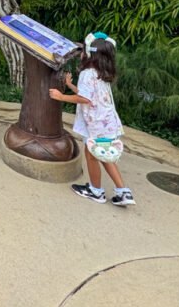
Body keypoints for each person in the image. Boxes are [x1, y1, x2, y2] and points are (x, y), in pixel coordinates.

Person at [48, 33, 135, 206]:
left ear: (89, 54)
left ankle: (96, 191)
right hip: (107, 123)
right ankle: (123, 192)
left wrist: (60, 96)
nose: (81, 53)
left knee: (92, 155)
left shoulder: (87, 73)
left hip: (96, 125)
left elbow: (85, 99)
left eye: (83, 50)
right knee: (104, 155)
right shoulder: (101, 74)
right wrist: (70, 85)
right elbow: (90, 95)